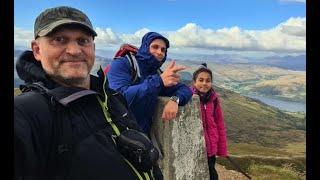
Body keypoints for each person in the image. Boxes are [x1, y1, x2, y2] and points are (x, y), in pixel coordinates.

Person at [14, 6, 158, 180]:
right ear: (37, 50)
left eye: (83, 41)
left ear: (93, 48)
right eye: (59, 39)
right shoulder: (27, 112)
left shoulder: (111, 96)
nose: (74, 51)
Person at [107, 32, 192, 134]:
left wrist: (175, 100)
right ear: (145, 47)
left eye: (163, 50)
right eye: (155, 47)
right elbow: (117, 98)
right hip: (117, 134)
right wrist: (159, 81)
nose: (160, 52)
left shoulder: (157, 73)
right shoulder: (122, 64)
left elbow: (185, 89)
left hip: (142, 136)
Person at [191, 63, 228, 180]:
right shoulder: (189, 97)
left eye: (208, 80)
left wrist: (222, 149)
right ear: (194, 81)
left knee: (212, 174)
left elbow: (219, 124)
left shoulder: (214, 99)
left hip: (211, 149)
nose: (204, 83)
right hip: (196, 147)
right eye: (200, 80)